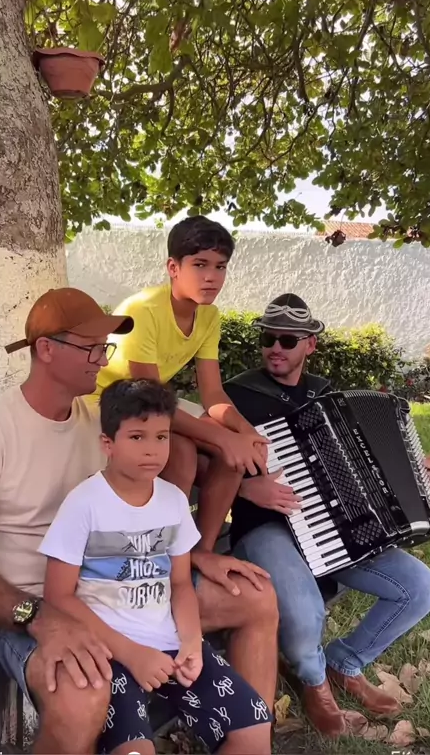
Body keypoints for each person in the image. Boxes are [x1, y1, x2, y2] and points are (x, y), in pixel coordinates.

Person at [0, 286, 278, 755]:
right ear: (46, 349)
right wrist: (38, 616)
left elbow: (165, 465)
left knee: (254, 596)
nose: (102, 360)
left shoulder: (101, 421)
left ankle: (245, 732)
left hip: (124, 586)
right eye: (91, 348)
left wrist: (196, 553)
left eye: (103, 348)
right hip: (27, 605)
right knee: (83, 693)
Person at [196, 293, 430, 739]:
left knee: (420, 587)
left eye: (288, 340)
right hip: (265, 528)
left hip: (333, 530)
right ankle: (313, 683)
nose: (275, 348)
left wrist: (416, 470)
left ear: (310, 345)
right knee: (306, 612)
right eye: (268, 338)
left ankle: (345, 664)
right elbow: (196, 464)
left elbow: (367, 465)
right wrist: (246, 488)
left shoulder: (328, 395)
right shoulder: (234, 397)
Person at [87, 215, 280, 711]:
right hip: (113, 408)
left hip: (157, 406)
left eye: (220, 266)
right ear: (173, 268)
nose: (212, 276)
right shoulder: (143, 311)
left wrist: (244, 432)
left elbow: (212, 395)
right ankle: (180, 550)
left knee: (233, 454)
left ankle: (202, 549)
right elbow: (151, 400)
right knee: (189, 448)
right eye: (199, 265)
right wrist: (221, 436)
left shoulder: (209, 317)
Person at [40, 379, 272, 755]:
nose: (152, 449)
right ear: (108, 444)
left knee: (254, 728)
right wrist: (131, 653)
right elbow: (58, 596)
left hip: (169, 645)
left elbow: (180, 583)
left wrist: (191, 642)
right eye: (137, 437)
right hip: (109, 653)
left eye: (161, 437)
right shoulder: (85, 504)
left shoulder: (173, 501)